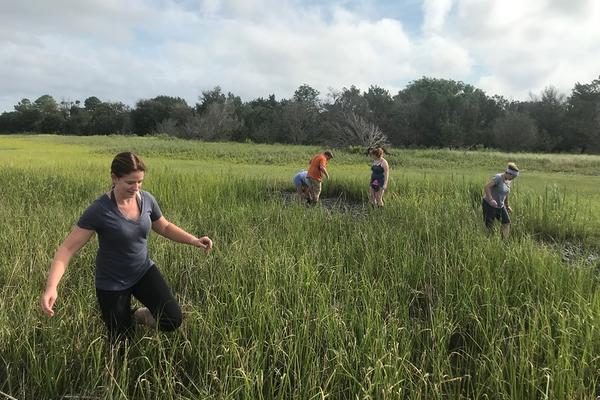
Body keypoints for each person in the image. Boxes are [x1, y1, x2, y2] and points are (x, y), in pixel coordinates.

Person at [40, 152, 213, 343]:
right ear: (114, 178)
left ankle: (137, 315)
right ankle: (122, 322)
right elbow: (67, 249)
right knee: (122, 342)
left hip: (143, 272)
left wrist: (194, 240)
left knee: (172, 319)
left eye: (140, 182)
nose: (136, 187)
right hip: (111, 283)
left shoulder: (146, 199)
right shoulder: (99, 210)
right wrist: (51, 287)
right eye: (130, 182)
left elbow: (164, 226)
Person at [482, 162, 519, 239]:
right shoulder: (498, 178)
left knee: (506, 222)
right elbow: (487, 187)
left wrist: (507, 205)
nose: (512, 179)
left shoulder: (509, 181)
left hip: (500, 206)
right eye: (513, 177)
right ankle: (488, 241)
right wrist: (491, 200)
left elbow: (506, 193)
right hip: (489, 204)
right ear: (509, 173)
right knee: (489, 226)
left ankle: (504, 241)